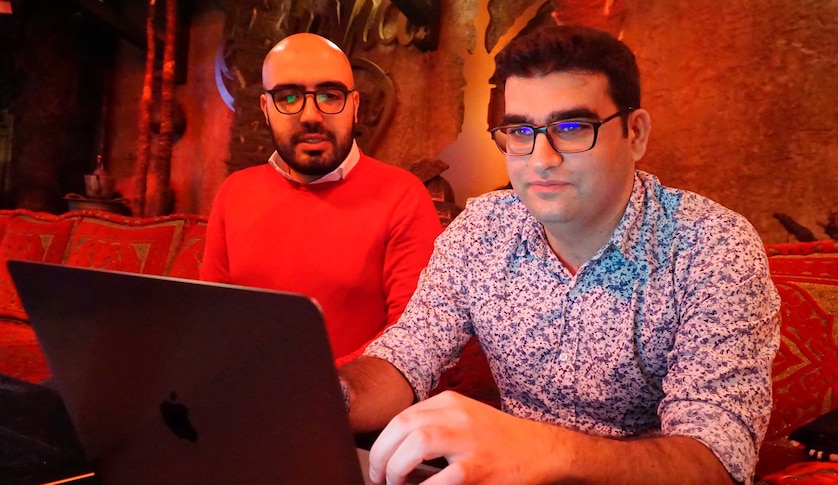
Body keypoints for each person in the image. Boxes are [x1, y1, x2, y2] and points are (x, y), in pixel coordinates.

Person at [339, 24, 781, 485]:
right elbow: (407, 354)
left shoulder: (710, 245)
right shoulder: (483, 230)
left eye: (572, 128)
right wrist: (330, 397)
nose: (540, 158)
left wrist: (545, 449)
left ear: (635, 133)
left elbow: (716, 463)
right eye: (519, 130)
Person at [200, 33, 442, 365]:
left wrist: (311, 387)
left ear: (354, 106)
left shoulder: (403, 196)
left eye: (329, 95)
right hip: (244, 395)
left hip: (352, 405)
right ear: (266, 109)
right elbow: (213, 317)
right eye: (288, 97)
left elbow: (415, 338)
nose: (311, 115)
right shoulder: (234, 193)